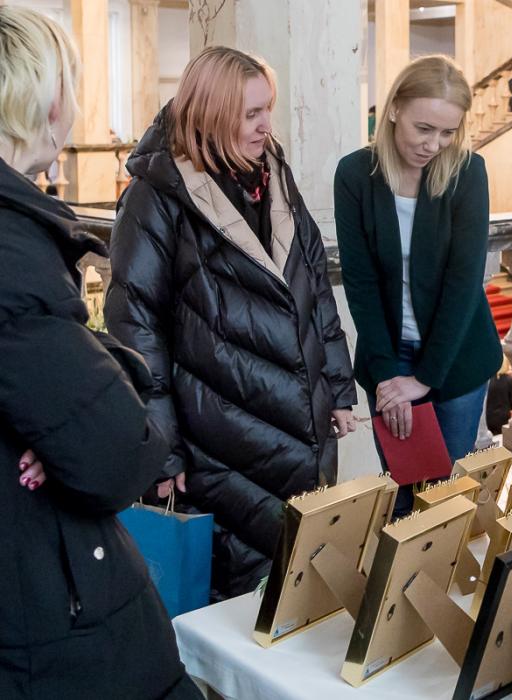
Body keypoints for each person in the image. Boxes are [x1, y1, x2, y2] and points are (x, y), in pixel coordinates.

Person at [104, 47, 357, 600]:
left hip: (304, 432)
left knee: (296, 587)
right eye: (251, 114)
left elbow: (315, 288)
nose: (266, 125)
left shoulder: (273, 174)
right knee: (236, 599)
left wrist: (338, 387)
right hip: (221, 446)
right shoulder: (155, 196)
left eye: (268, 110)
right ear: (212, 115)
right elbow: (136, 330)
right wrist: (162, 449)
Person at [0, 7, 201, 697]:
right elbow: (119, 454)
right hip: (48, 614)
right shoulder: (13, 249)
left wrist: (78, 395)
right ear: (49, 103)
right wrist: (105, 394)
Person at [335, 55, 502, 516]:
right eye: (423, 128)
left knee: (445, 501)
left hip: (456, 359)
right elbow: (361, 283)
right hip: (388, 356)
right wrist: (390, 376)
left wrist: (424, 378)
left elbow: (463, 284)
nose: (433, 145)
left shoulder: (467, 172)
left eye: (447, 132)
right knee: (405, 494)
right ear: (394, 109)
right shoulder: (355, 175)